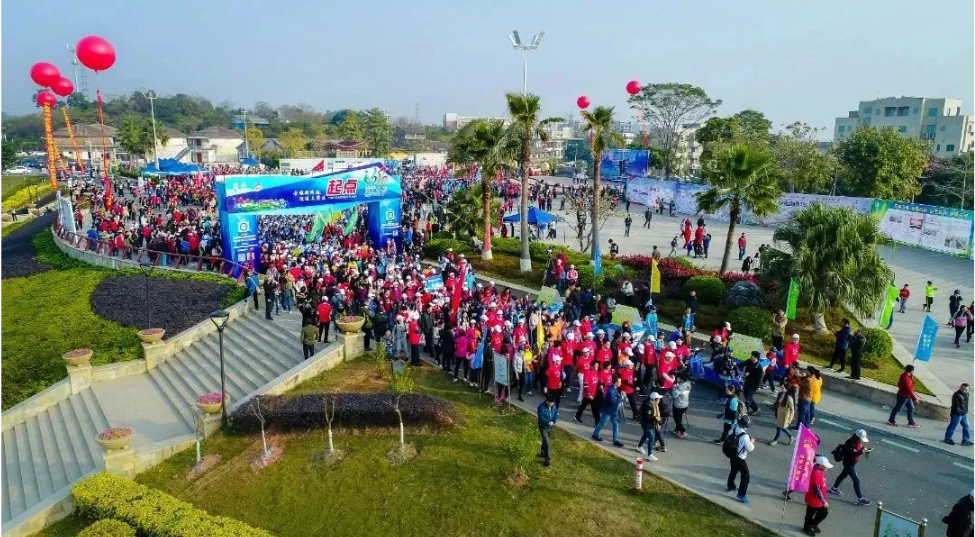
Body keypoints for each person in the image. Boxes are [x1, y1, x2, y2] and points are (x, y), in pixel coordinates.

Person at [830, 429, 871, 505]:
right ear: (857, 437)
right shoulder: (850, 443)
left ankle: (834, 488)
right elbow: (852, 455)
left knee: (843, 475)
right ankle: (860, 498)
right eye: (861, 439)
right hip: (849, 464)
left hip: (851, 464)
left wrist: (864, 450)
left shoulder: (857, 442)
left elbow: (857, 451)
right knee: (856, 481)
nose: (861, 440)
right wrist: (861, 452)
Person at [724, 415, 754, 504]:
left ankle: (730, 486)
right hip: (740, 457)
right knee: (746, 475)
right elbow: (750, 448)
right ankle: (741, 493)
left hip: (732, 454)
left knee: (733, 470)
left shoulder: (734, 428)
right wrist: (752, 442)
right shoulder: (745, 437)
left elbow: (730, 435)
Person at [803, 455, 833, 536]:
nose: (827, 468)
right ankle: (807, 527)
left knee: (819, 513)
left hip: (816, 499)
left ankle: (812, 524)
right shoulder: (816, 474)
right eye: (825, 466)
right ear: (820, 466)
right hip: (814, 499)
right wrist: (823, 501)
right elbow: (817, 490)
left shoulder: (819, 471)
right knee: (813, 514)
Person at [592, 374, 625, 447]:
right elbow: (613, 401)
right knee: (602, 423)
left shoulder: (615, 388)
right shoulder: (611, 390)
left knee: (616, 424)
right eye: (619, 382)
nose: (620, 383)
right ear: (615, 382)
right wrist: (621, 398)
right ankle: (595, 434)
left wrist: (620, 395)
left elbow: (616, 397)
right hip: (607, 411)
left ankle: (615, 440)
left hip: (613, 410)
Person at [636, 392, 663, 460]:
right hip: (646, 424)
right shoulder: (648, 406)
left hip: (650, 424)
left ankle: (639, 447)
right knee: (651, 438)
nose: (659, 400)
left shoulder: (653, 405)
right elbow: (648, 417)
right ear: (654, 399)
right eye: (658, 399)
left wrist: (657, 419)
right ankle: (650, 455)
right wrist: (656, 418)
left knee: (645, 435)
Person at [537, 396, 559, 467]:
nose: (552, 404)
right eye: (551, 403)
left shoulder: (554, 406)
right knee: (547, 442)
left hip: (550, 427)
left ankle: (542, 453)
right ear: (547, 401)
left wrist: (554, 421)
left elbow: (556, 413)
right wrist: (548, 422)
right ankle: (547, 459)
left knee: (545, 440)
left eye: (553, 403)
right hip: (543, 427)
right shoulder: (541, 407)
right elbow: (541, 417)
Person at [672, 372, 690, 438]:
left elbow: (674, 395)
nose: (677, 378)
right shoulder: (688, 383)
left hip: (678, 405)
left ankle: (683, 431)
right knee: (679, 417)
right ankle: (677, 430)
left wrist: (674, 387)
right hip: (685, 404)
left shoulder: (679, 387)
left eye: (678, 377)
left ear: (681, 379)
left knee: (676, 419)